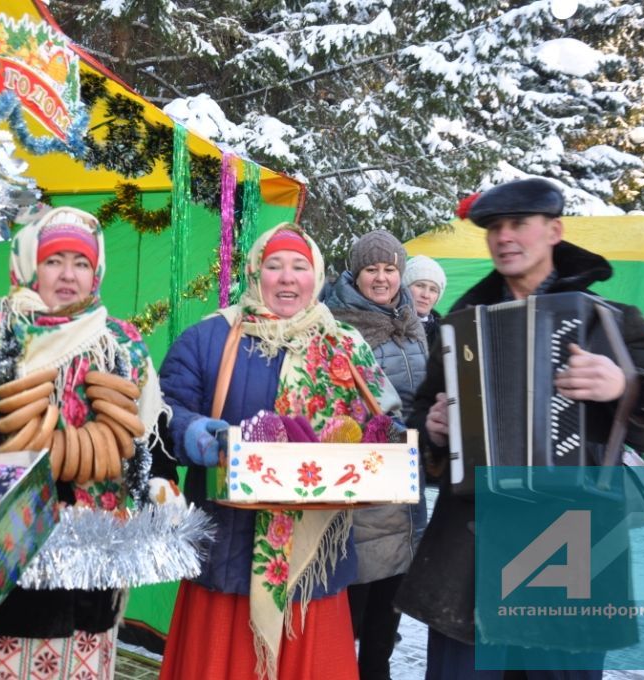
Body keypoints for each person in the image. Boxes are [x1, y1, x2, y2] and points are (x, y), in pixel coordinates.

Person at [394, 177, 644, 679]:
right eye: (494, 227)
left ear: (554, 230)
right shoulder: (462, 326)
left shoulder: (611, 320)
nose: (505, 237)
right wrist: (434, 428)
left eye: (518, 224)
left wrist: (625, 386)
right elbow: (421, 416)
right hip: (474, 548)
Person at [0, 206, 174, 679]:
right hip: (8, 551)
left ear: (96, 271)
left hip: (96, 559)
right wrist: (1, 466)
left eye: (81, 263)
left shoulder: (122, 341)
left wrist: (160, 483)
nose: (68, 275)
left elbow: (150, 438)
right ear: (30, 263)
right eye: (55, 260)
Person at [158, 223, 403, 680]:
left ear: (317, 277)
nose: (287, 278)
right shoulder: (209, 339)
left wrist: (387, 439)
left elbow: (384, 416)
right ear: (255, 272)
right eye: (274, 266)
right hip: (226, 557)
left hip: (313, 569)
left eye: (299, 267)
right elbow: (164, 413)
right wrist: (201, 436)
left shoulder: (345, 345)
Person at [322, 229, 428, 680]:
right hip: (364, 472)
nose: (381, 278)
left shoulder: (412, 319)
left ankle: (376, 670)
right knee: (358, 587)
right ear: (355, 273)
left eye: (389, 269)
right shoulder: (336, 323)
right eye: (372, 269)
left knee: (394, 588)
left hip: (409, 473)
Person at [403, 254, 447, 348]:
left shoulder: (446, 333)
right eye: (420, 285)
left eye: (433, 290)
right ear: (404, 288)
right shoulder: (387, 325)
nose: (426, 295)